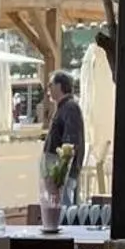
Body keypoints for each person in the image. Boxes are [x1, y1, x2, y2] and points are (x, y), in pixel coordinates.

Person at [45, 70, 85, 203]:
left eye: (50, 84)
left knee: (63, 210)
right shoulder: (64, 107)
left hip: (63, 176)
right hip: (58, 175)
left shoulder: (70, 108)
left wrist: (60, 174)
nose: (48, 88)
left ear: (59, 85)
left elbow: (70, 144)